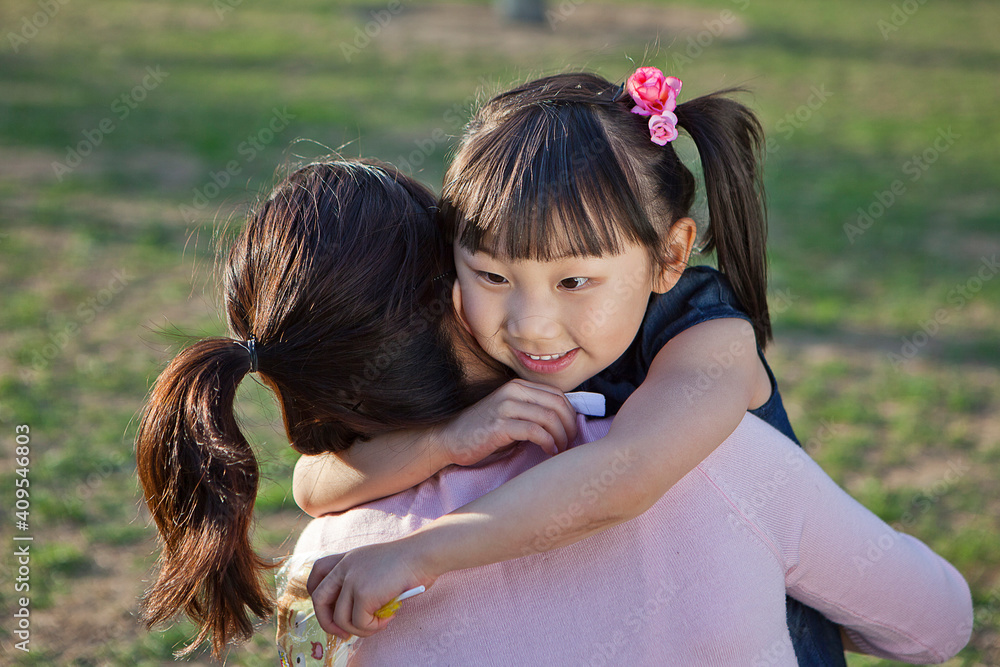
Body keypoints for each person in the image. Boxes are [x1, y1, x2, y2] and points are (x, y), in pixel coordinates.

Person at [296, 68, 844, 663]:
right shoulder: (481, 336)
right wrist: (447, 438)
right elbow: (314, 484)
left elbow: (624, 476)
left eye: (575, 281)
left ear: (671, 255)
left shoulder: (709, 340)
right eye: (494, 275)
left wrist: (416, 553)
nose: (532, 323)